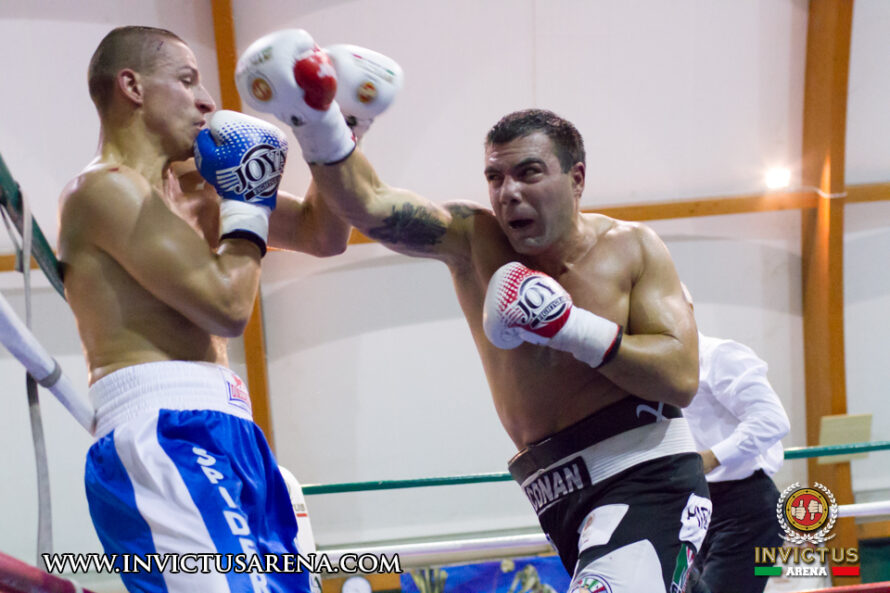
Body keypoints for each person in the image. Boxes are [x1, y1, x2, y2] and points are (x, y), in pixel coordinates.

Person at [236, 28, 712, 593]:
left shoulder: (632, 248)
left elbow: (680, 378)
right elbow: (367, 205)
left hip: (647, 476)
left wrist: (572, 328)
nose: (508, 192)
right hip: (558, 495)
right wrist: (318, 121)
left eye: (529, 172)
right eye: (495, 176)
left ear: (577, 178)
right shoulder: (471, 240)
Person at [57, 25, 352, 593]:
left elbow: (325, 232)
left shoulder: (200, 187)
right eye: (187, 80)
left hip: (233, 430)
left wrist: (326, 128)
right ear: (133, 87)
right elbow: (226, 306)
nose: (208, 101)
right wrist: (248, 204)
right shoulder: (103, 190)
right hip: (164, 432)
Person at [680, 287, 790, 593]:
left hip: (748, 507)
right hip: (696, 506)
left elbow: (772, 419)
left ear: (687, 307)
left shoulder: (720, 355)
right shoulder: (656, 372)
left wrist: (711, 457)